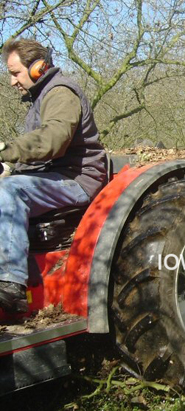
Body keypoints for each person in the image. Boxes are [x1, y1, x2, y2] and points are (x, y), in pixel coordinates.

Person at [0, 39, 107, 313]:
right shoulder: (40, 98)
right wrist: (11, 168)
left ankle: (9, 286)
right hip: (55, 175)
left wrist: (6, 151)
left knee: (11, 191)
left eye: (14, 73)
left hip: (79, 180)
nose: (12, 82)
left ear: (37, 68)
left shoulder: (60, 93)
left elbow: (53, 141)